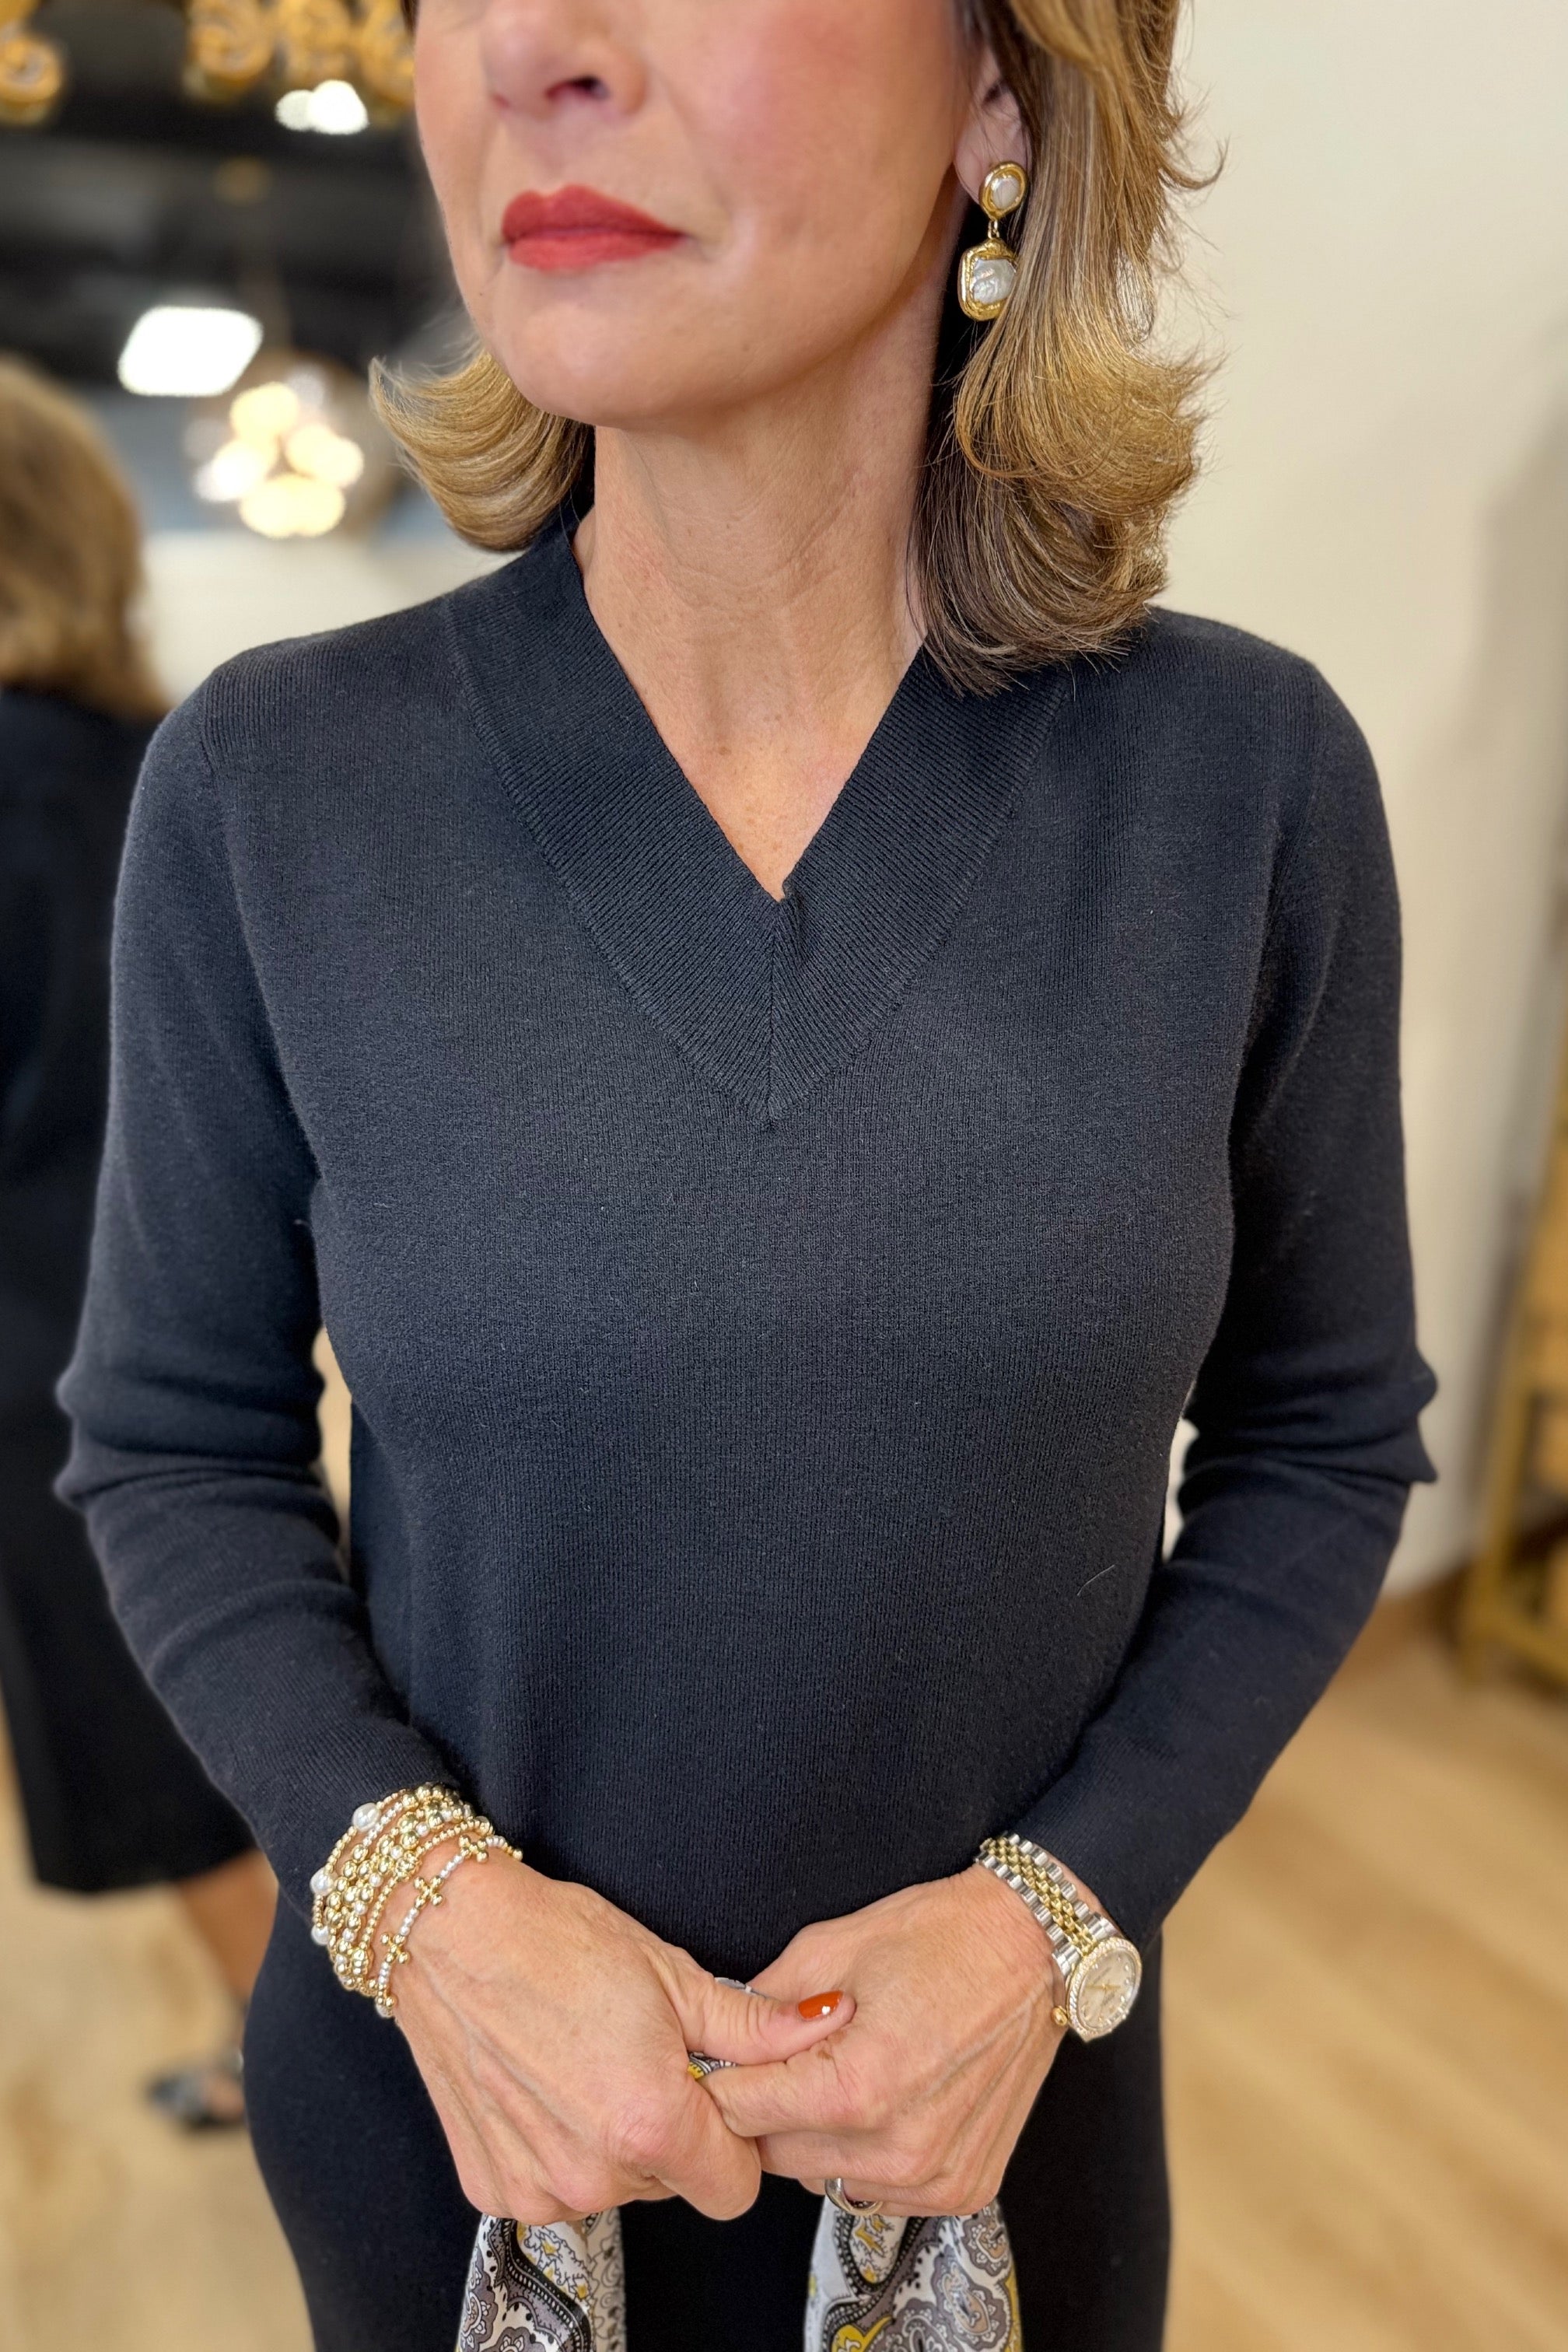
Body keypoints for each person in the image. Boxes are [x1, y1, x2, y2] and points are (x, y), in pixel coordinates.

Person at [58, 0, 1435, 2344]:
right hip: (457, 2169)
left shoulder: (1243, 787)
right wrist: (430, 1916)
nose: (533, 46)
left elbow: (1319, 1438)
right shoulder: (276, 791)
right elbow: (174, 1443)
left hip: (998, 2173)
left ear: (1002, 89)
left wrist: (1053, 1922)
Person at [0, 356, 275, 2126]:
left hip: (45, 1356)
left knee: (168, 1764)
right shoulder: (157, 764)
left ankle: (339, 2072)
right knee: (210, 1731)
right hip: (190, 1327)